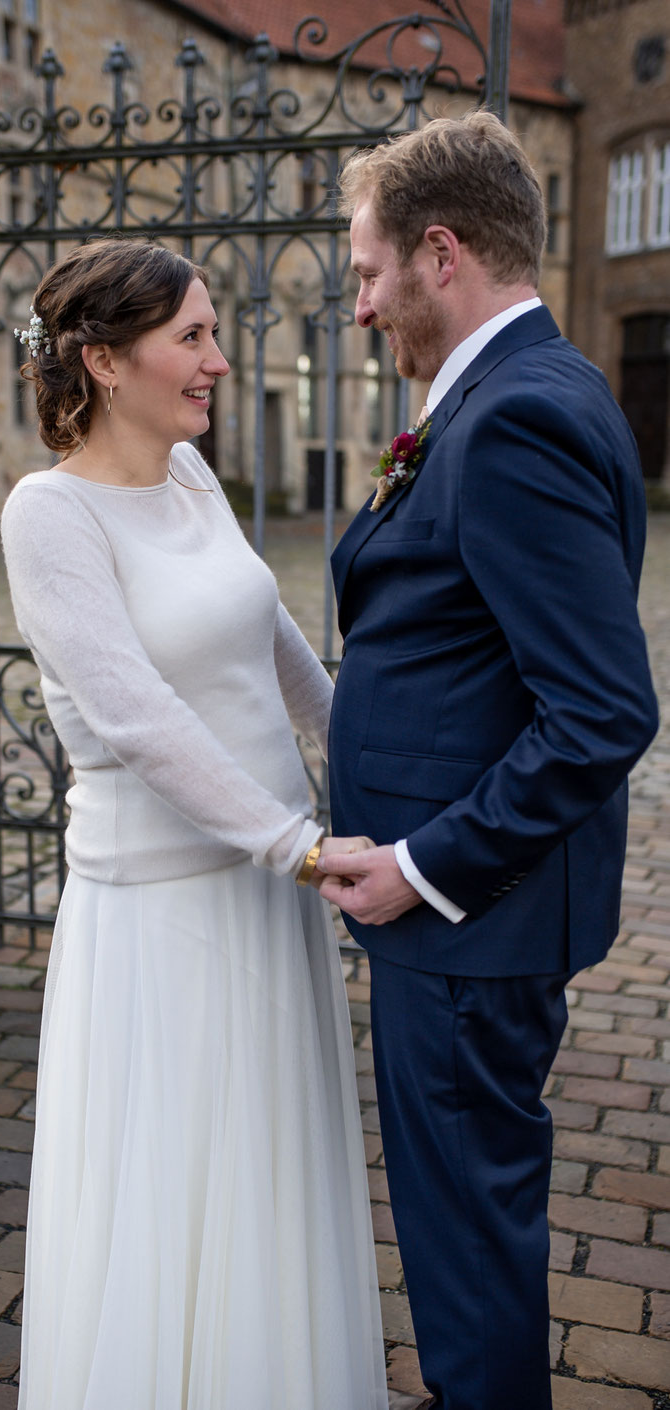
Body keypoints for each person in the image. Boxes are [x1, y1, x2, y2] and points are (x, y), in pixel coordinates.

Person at [0, 237, 387, 1410]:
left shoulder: (190, 477)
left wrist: (369, 778)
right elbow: (137, 718)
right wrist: (302, 847)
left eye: (214, 332)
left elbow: (277, 659)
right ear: (106, 362)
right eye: (193, 338)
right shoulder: (48, 514)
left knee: (269, 1177)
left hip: (268, 894)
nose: (220, 360)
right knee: (173, 1190)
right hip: (166, 912)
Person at [318, 111, 659, 1410]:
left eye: (365, 272)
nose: (359, 307)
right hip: (470, 923)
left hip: (471, 920)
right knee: (467, 1222)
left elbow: (601, 708)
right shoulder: (510, 395)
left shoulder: (515, 417)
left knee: (466, 1238)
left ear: (440, 254)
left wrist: (423, 864)